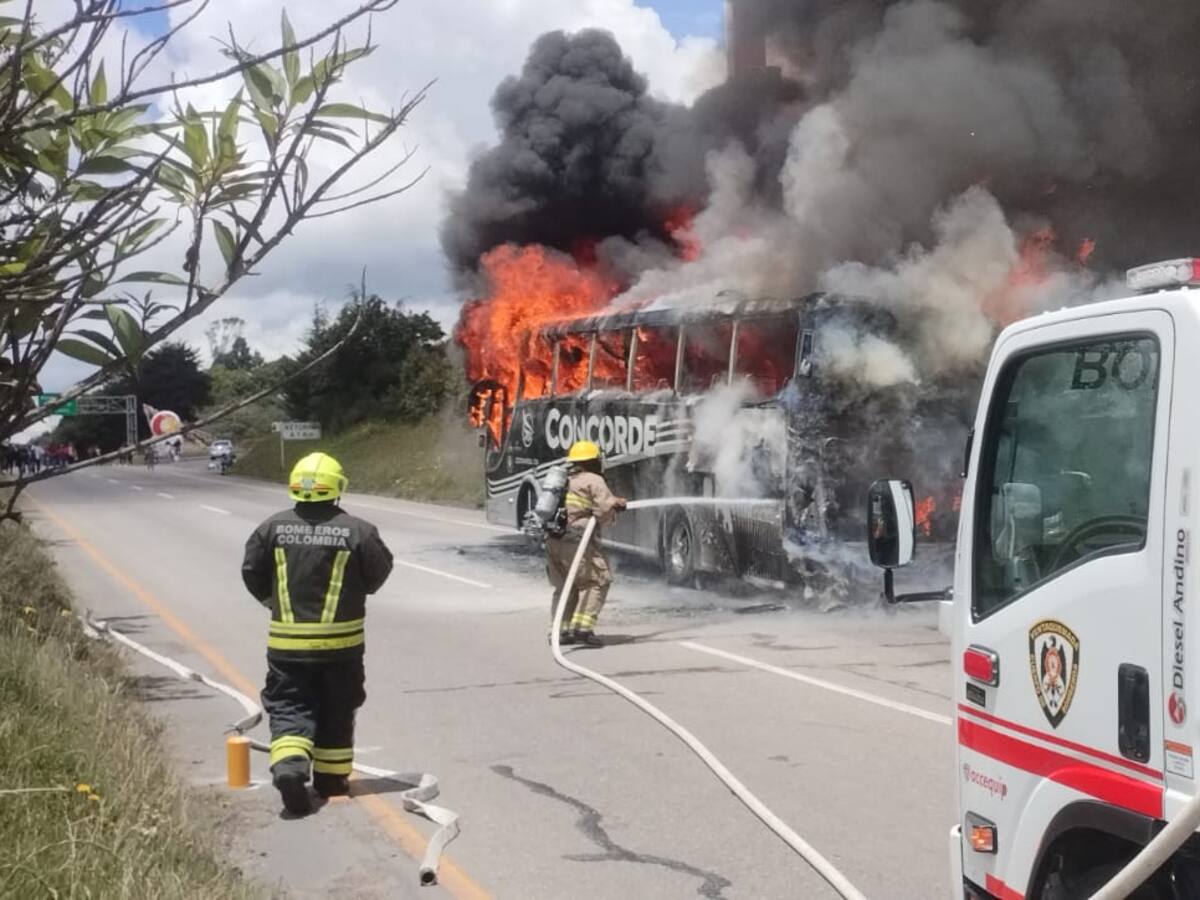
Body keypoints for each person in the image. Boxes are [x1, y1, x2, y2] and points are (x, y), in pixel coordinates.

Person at [241, 452, 393, 815]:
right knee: (338, 708)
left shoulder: (270, 529)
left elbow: (251, 572)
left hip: (287, 647)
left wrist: (271, 601)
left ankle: (291, 769)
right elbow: (378, 574)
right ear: (337, 488)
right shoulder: (360, 531)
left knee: (290, 706)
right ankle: (331, 779)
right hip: (343, 647)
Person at [546, 440, 627, 648]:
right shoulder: (593, 480)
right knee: (597, 581)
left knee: (565, 587)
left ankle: (560, 631)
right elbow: (603, 512)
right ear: (592, 461)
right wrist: (616, 505)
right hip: (576, 544)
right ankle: (583, 628)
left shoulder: (564, 480)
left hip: (554, 542)